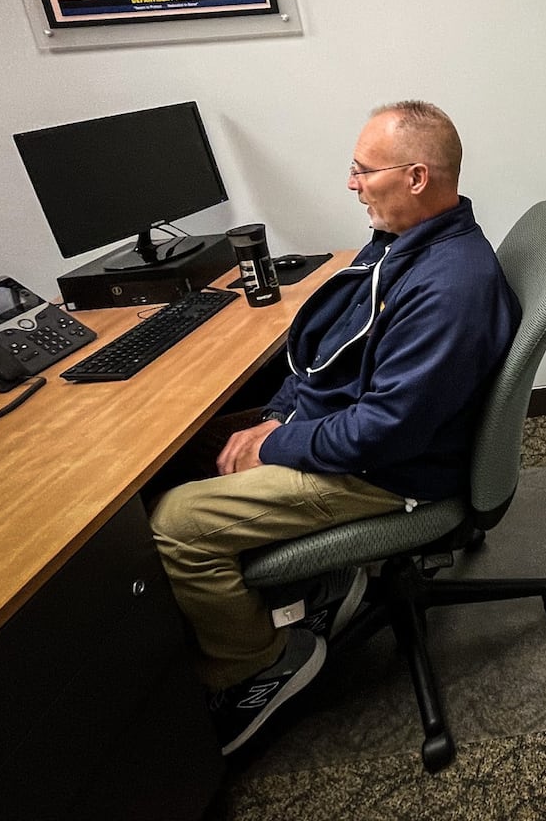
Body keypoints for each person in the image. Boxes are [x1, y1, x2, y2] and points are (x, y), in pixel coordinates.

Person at [150, 100, 519, 756]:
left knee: (175, 522)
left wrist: (276, 441)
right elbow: (330, 352)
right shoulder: (403, 245)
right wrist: (275, 415)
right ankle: (321, 587)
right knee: (197, 447)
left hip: (387, 473)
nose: (351, 184)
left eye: (362, 170)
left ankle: (257, 667)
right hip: (359, 437)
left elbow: (387, 432)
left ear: (415, 177)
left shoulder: (449, 287)